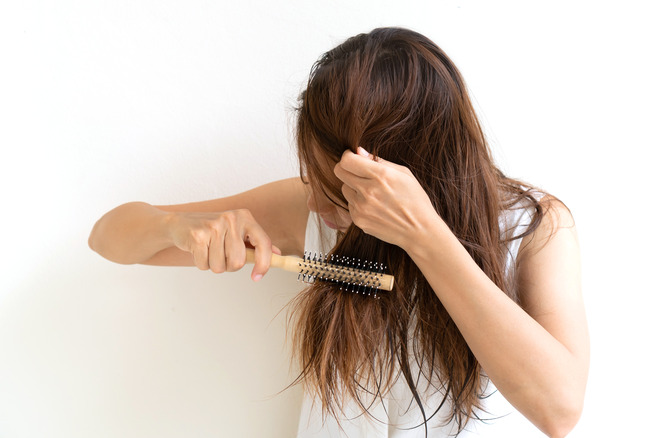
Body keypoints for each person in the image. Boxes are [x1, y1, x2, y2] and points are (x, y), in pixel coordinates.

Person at [89, 27, 589, 438]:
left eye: (334, 185)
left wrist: (425, 236)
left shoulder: (533, 228)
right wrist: (178, 228)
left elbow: (559, 410)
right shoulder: (311, 210)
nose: (314, 200)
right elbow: (107, 237)